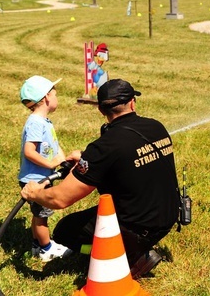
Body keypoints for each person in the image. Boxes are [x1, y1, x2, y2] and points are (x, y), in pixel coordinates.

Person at [21, 79, 180, 279]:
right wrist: (87, 159)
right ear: (132, 102)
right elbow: (126, 159)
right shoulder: (156, 127)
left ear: (101, 110)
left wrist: (34, 193)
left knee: (65, 232)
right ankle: (130, 247)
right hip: (168, 217)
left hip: (140, 229)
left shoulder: (104, 147)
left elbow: (59, 199)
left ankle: (126, 256)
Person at [18, 75, 73, 262]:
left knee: (38, 214)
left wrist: (64, 160)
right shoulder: (35, 122)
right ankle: (46, 248)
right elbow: (29, 151)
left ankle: (36, 244)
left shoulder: (44, 122)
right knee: (42, 216)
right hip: (36, 179)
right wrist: (51, 164)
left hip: (42, 177)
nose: (57, 99)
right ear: (46, 98)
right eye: (55, 94)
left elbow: (54, 146)